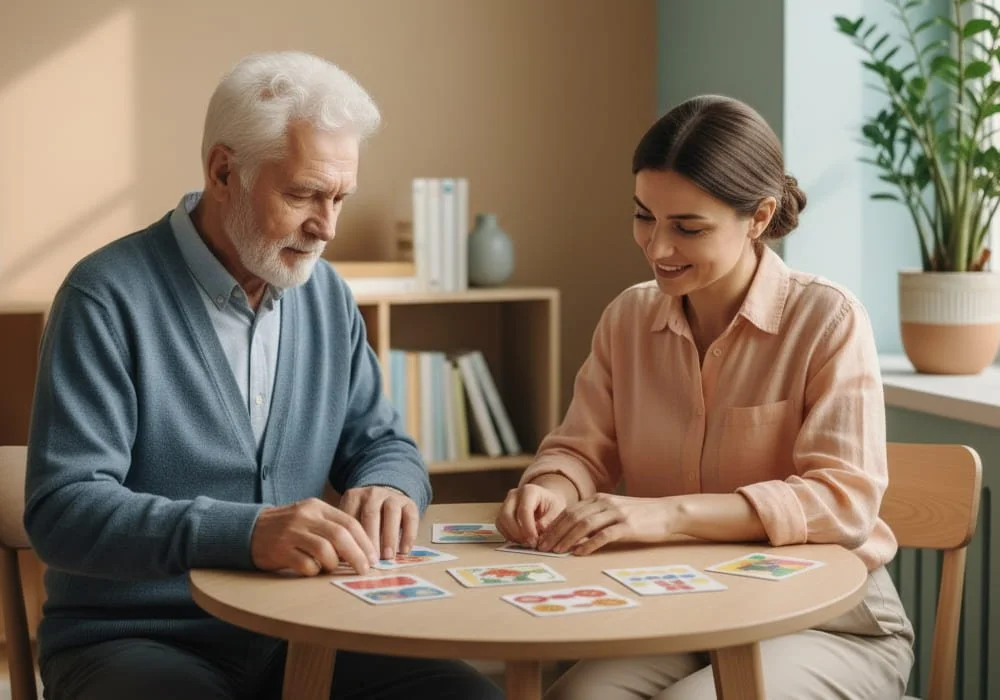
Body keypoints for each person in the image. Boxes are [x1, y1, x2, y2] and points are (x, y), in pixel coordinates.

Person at [24, 50, 502, 700]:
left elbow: (383, 444)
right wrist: (246, 532)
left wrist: (391, 486)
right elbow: (65, 510)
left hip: (305, 626)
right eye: (303, 194)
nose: (326, 227)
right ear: (225, 171)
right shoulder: (107, 296)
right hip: (137, 638)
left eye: (339, 198)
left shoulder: (326, 296)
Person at [495, 95, 915, 699]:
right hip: (681, 612)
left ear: (759, 216)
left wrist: (666, 513)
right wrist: (548, 489)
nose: (657, 247)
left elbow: (843, 500)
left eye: (688, 227)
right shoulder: (628, 318)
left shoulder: (828, 320)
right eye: (645, 216)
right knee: (575, 697)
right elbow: (581, 451)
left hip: (830, 624)